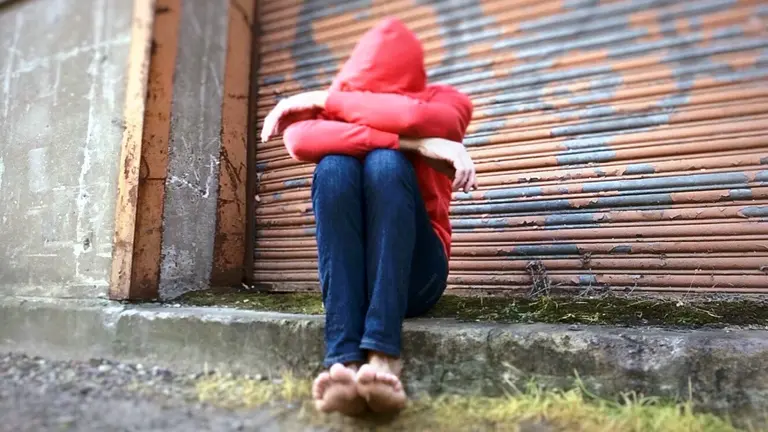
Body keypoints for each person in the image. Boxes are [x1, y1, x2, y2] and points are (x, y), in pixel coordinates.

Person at [260, 18, 476, 416]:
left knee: (384, 165)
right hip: (355, 283)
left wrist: (325, 100)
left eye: (384, 96)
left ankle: (383, 354)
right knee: (334, 167)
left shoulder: (444, 99)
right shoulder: (344, 100)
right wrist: (414, 143)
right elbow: (299, 139)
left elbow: (432, 121)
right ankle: (344, 360)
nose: (372, 105)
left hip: (419, 278)